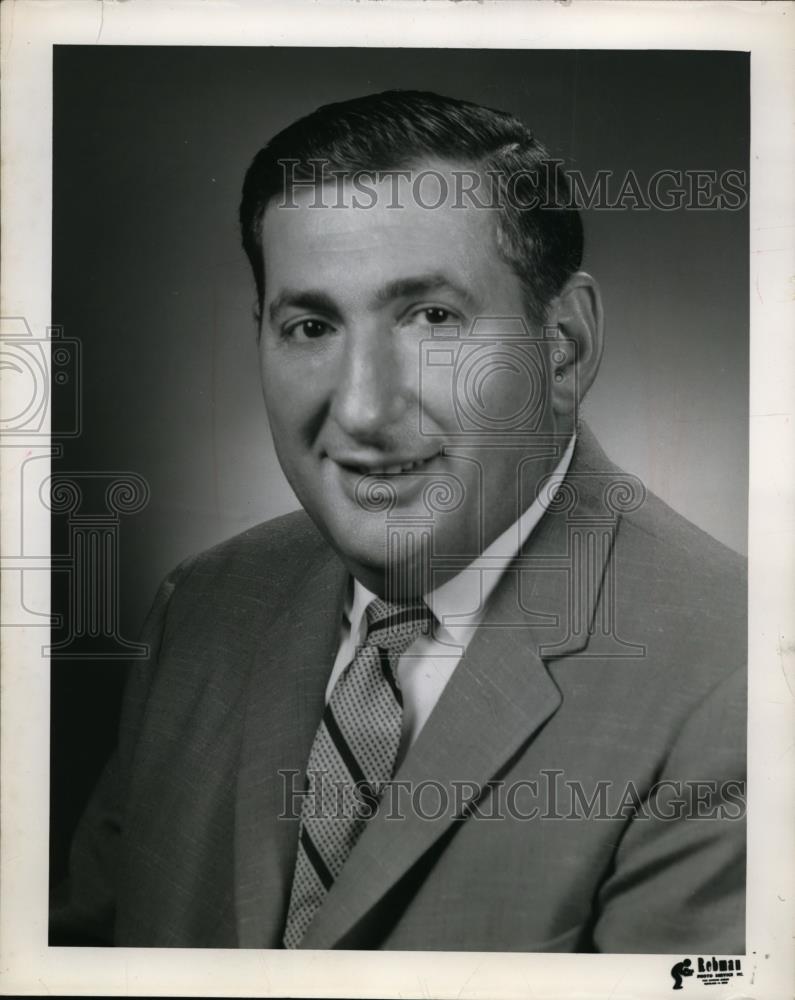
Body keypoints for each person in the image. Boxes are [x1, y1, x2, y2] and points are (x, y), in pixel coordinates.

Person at [50, 90, 746, 952]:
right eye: (310, 326)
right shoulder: (202, 608)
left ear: (561, 347)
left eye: (432, 319)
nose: (364, 409)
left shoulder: (738, 688)